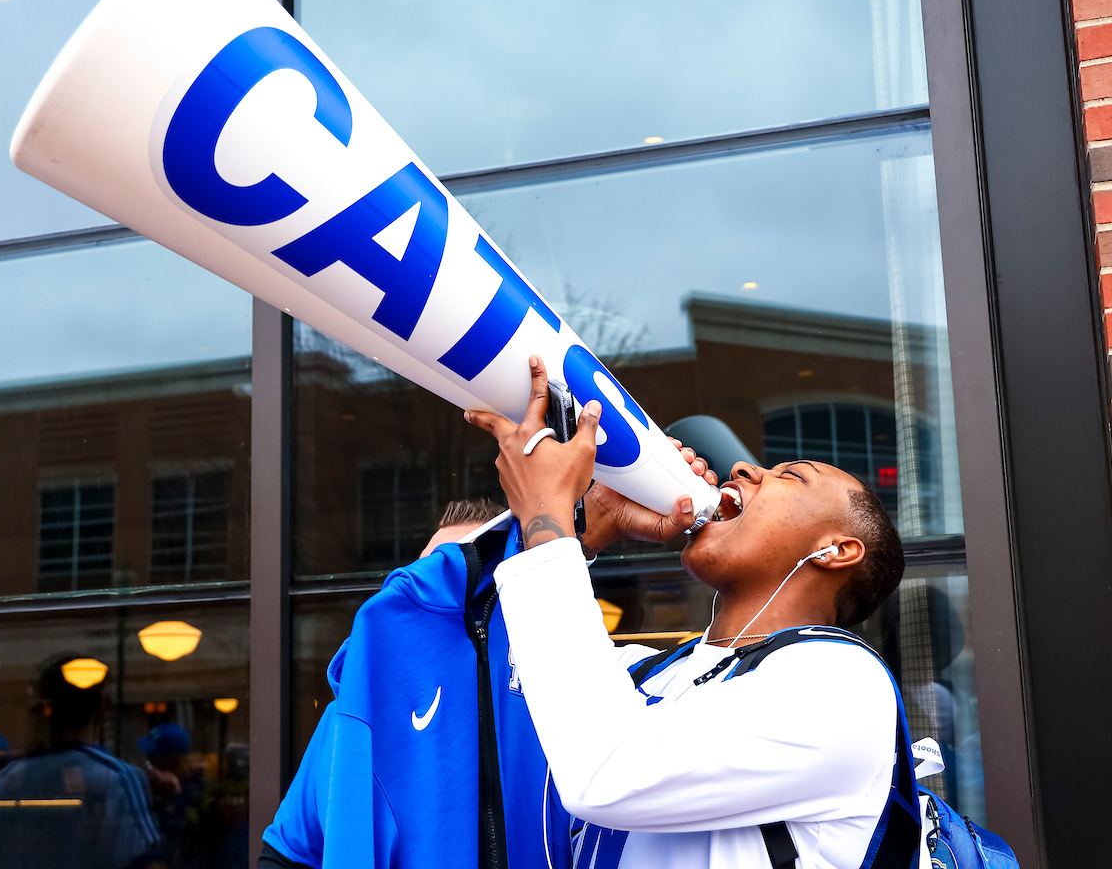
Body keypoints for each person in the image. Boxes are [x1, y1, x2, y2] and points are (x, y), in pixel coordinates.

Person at [462, 356, 908, 869]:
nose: (744, 470)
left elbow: (608, 775)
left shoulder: (841, 685)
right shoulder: (655, 673)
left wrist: (546, 515)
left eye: (792, 476)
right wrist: (589, 527)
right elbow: (483, 657)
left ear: (835, 550)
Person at [259, 498, 508, 869]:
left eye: (454, 578)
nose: (428, 589)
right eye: (426, 574)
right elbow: (285, 855)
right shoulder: (355, 712)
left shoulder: (547, 696)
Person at [0, 652, 164, 869]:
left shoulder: (9, 780)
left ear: (47, 709)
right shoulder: (118, 778)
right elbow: (146, 861)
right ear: (104, 706)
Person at [139, 722, 205, 867]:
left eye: (154, 756)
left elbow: (190, 835)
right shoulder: (156, 790)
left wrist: (175, 799)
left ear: (172, 760)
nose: (149, 761)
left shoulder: (197, 791)